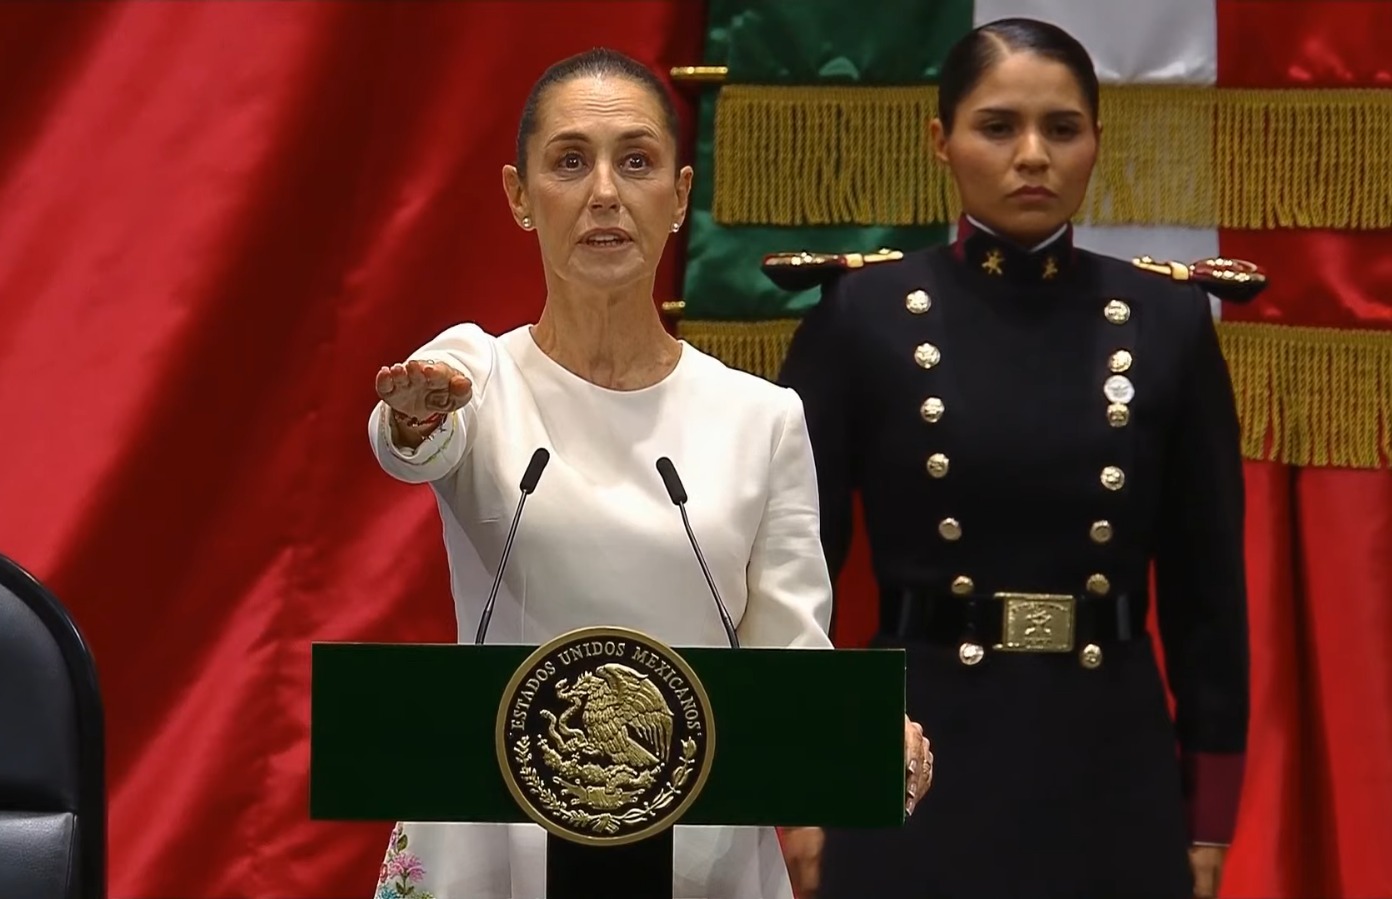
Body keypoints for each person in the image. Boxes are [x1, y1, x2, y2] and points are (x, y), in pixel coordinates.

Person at [365, 47, 931, 899]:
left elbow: (791, 658)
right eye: (569, 161)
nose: (604, 192)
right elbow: (411, 438)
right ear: (520, 198)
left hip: (694, 849)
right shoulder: (476, 375)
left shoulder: (760, 419)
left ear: (681, 195)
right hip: (493, 846)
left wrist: (864, 735)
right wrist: (411, 417)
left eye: (636, 161)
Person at [776, 17, 1250, 899]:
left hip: (1110, 754)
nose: (1032, 154)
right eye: (998, 126)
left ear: (1097, 143)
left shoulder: (1166, 324)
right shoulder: (863, 317)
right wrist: (803, 795)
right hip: (914, 749)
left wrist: (1208, 816)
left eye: (1061, 128)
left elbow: (1207, 596)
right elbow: (798, 580)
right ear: (941, 142)